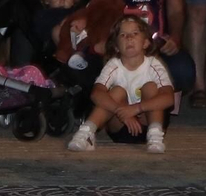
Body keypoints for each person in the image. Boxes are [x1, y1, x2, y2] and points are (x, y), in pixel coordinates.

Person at [66, 15, 177, 153]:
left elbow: (168, 98)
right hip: (120, 125)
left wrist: (136, 109)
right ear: (116, 47)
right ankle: (85, 133)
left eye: (135, 34)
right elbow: (96, 93)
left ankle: (155, 137)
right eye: (123, 35)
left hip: (147, 123)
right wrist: (122, 112)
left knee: (150, 87)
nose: (129, 38)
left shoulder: (154, 64)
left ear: (146, 43)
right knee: (117, 91)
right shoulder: (113, 65)